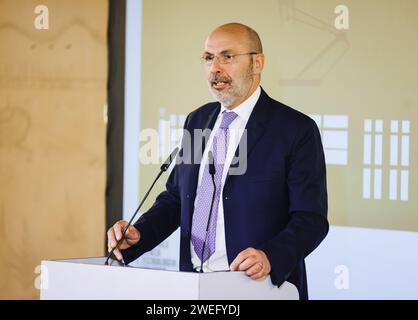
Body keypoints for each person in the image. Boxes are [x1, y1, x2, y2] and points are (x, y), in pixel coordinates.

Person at [107, 23, 328, 300]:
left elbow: (311, 219)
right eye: (209, 58)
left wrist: (270, 256)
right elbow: (177, 199)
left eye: (227, 57)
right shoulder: (198, 121)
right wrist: (140, 233)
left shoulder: (295, 129)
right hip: (193, 288)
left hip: (259, 288)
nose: (215, 68)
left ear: (257, 62)